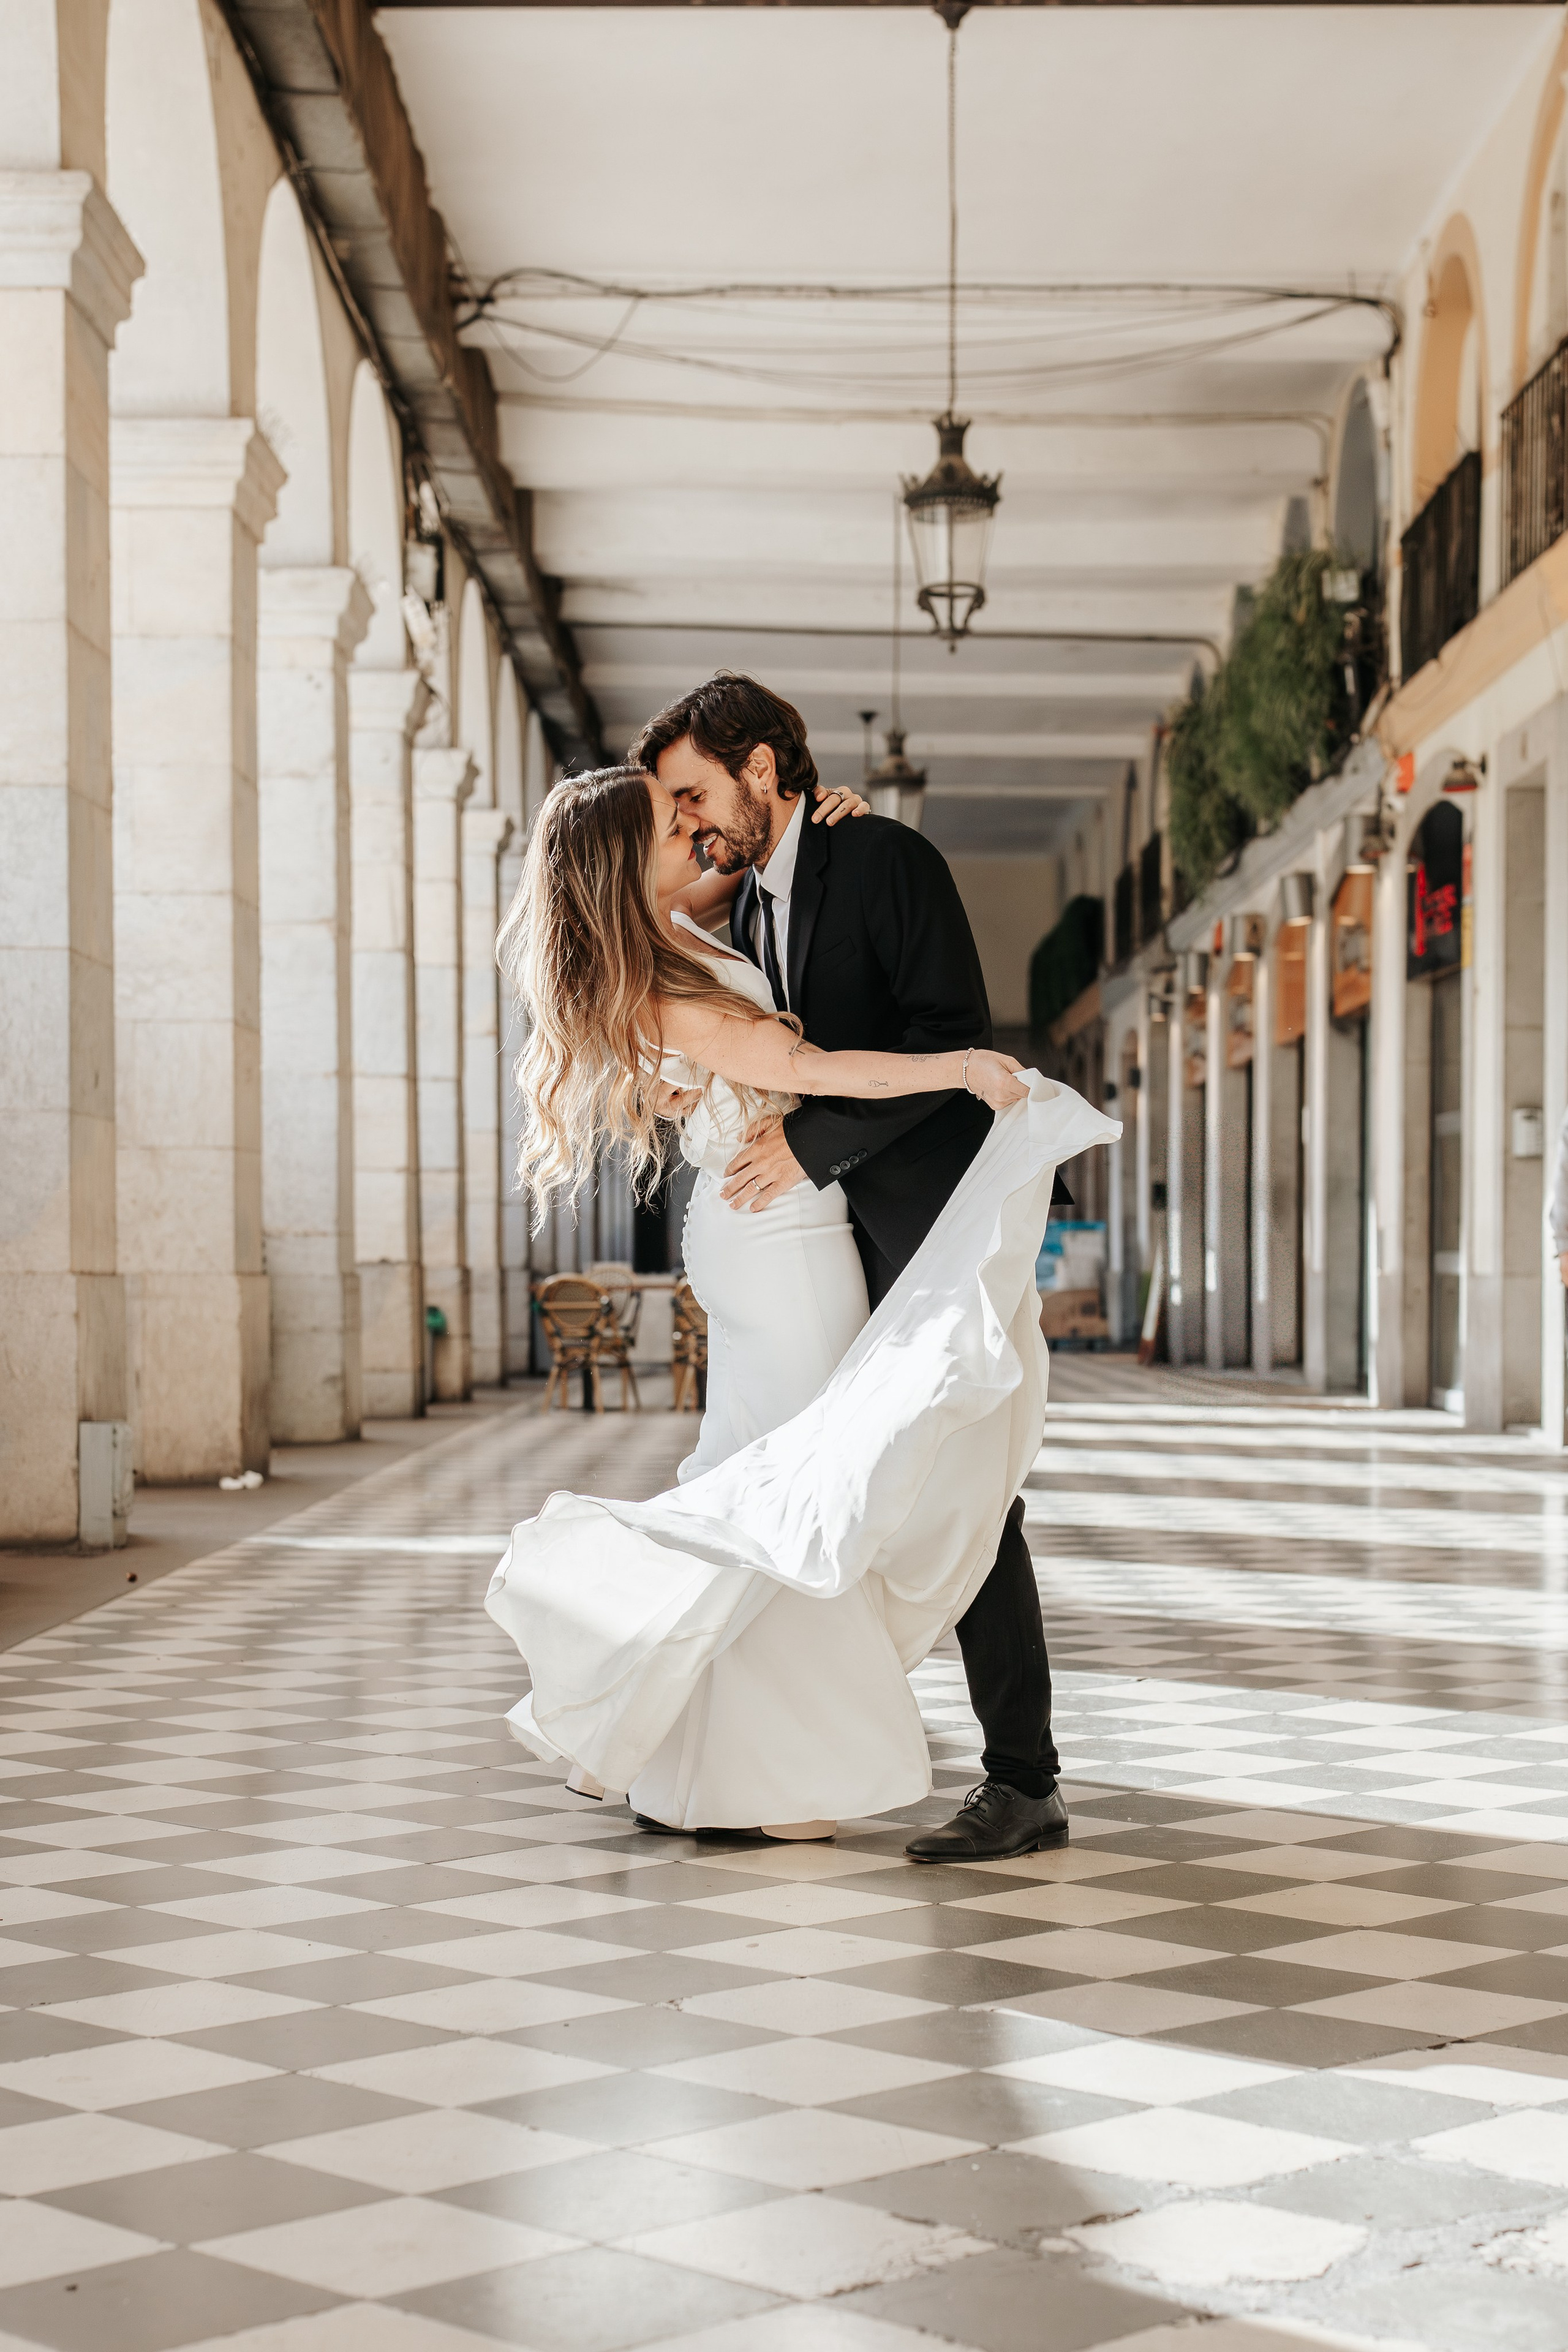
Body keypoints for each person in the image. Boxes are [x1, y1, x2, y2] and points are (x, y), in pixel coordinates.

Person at [487, 725, 1114, 1853]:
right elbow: (814, 1069)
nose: (692, 824)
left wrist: (834, 814)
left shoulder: (697, 930)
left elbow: (781, 935)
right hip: (779, 1239)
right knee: (806, 1487)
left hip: (780, 1230)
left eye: (694, 799)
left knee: (786, 1478)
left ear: (761, 772)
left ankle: (690, 1746)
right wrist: (965, 1067)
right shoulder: (672, 966)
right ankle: (768, 1767)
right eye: (668, 816)